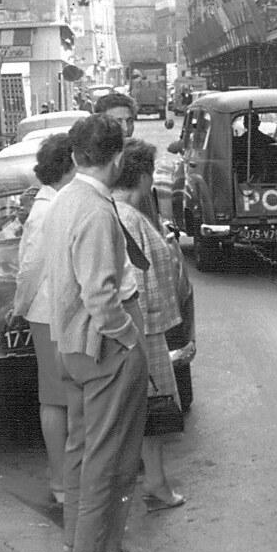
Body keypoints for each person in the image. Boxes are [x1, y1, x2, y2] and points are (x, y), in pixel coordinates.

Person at [43, 114, 152, 552]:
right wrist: (130, 339)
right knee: (113, 456)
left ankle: (76, 545)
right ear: (118, 157)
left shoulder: (64, 201)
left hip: (70, 343)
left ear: (73, 156)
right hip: (105, 345)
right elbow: (101, 295)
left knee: (83, 449)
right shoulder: (94, 210)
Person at [112, 138, 189, 513]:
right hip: (144, 328)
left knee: (146, 412)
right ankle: (155, 484)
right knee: (154, 410)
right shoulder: (128, 218)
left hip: (145, 326)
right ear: (141, 176)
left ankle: (153, 481)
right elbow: (137, 283)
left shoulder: (126, 214)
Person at [9, 134, 76, 505]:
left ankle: (67, 478)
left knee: (62, 397)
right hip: (49, 313)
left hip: (58, 312)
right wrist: (18, 307)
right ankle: (60, 480)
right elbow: (30, 268)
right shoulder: (46, 210)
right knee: (54, 399)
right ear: (67, 165)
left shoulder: (56, 204)